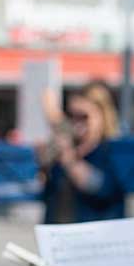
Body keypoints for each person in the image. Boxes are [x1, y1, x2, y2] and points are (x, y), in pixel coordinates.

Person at [42, 82, 124, 224]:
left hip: (97, 232)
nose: (76, 123)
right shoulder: (67, 149)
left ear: (103, 116)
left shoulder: (112, 151)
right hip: (59, 230)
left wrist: (68, 158)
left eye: (83, 117)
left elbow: (100, 188)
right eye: (72, 116)